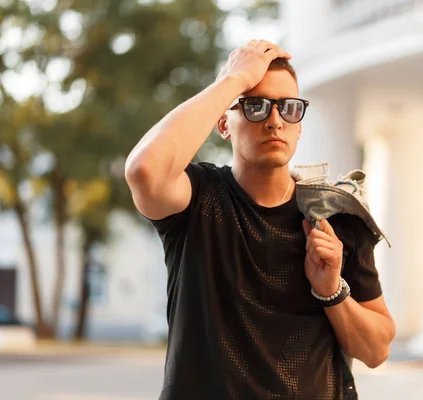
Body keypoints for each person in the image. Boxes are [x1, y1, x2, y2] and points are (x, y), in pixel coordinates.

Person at [124, 39, 396, 400]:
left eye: (289, 108)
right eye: (255, 105)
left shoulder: (336, 215)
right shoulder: (197, 198)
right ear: (223, 122)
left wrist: (332, 290)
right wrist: (233, 79)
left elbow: (376, 350)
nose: (274, 121)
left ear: (299, 125)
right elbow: (144, 169)